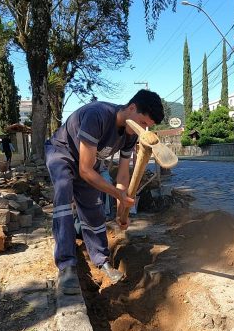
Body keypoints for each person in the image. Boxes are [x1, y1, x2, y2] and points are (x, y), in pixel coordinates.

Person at [45, 89, 164, 294]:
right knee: (64, 190)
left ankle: (102, 260)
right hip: (61, 151)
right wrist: (117, 194)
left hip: (89, 162)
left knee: (93, 207)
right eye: (143, 123)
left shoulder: (130, 135)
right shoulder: (97, 115)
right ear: (132, 108)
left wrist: (121, 211)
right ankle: (67, 266)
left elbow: (123, 175)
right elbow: (84, 170)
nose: (143, 129)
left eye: (148, 127)